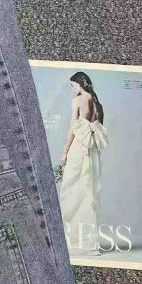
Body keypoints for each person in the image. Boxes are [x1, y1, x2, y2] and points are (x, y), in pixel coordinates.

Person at [59, 71, 108, 256]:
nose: (72, 89)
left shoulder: (77, 101)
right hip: (92, 150)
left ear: (80, 84)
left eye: (73, 85)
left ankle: (70, 240)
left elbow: (72, 129)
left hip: (79, 149)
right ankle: (89, 245)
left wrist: (64, 153)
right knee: (90, 194)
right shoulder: (96, 102)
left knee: (70, 191)